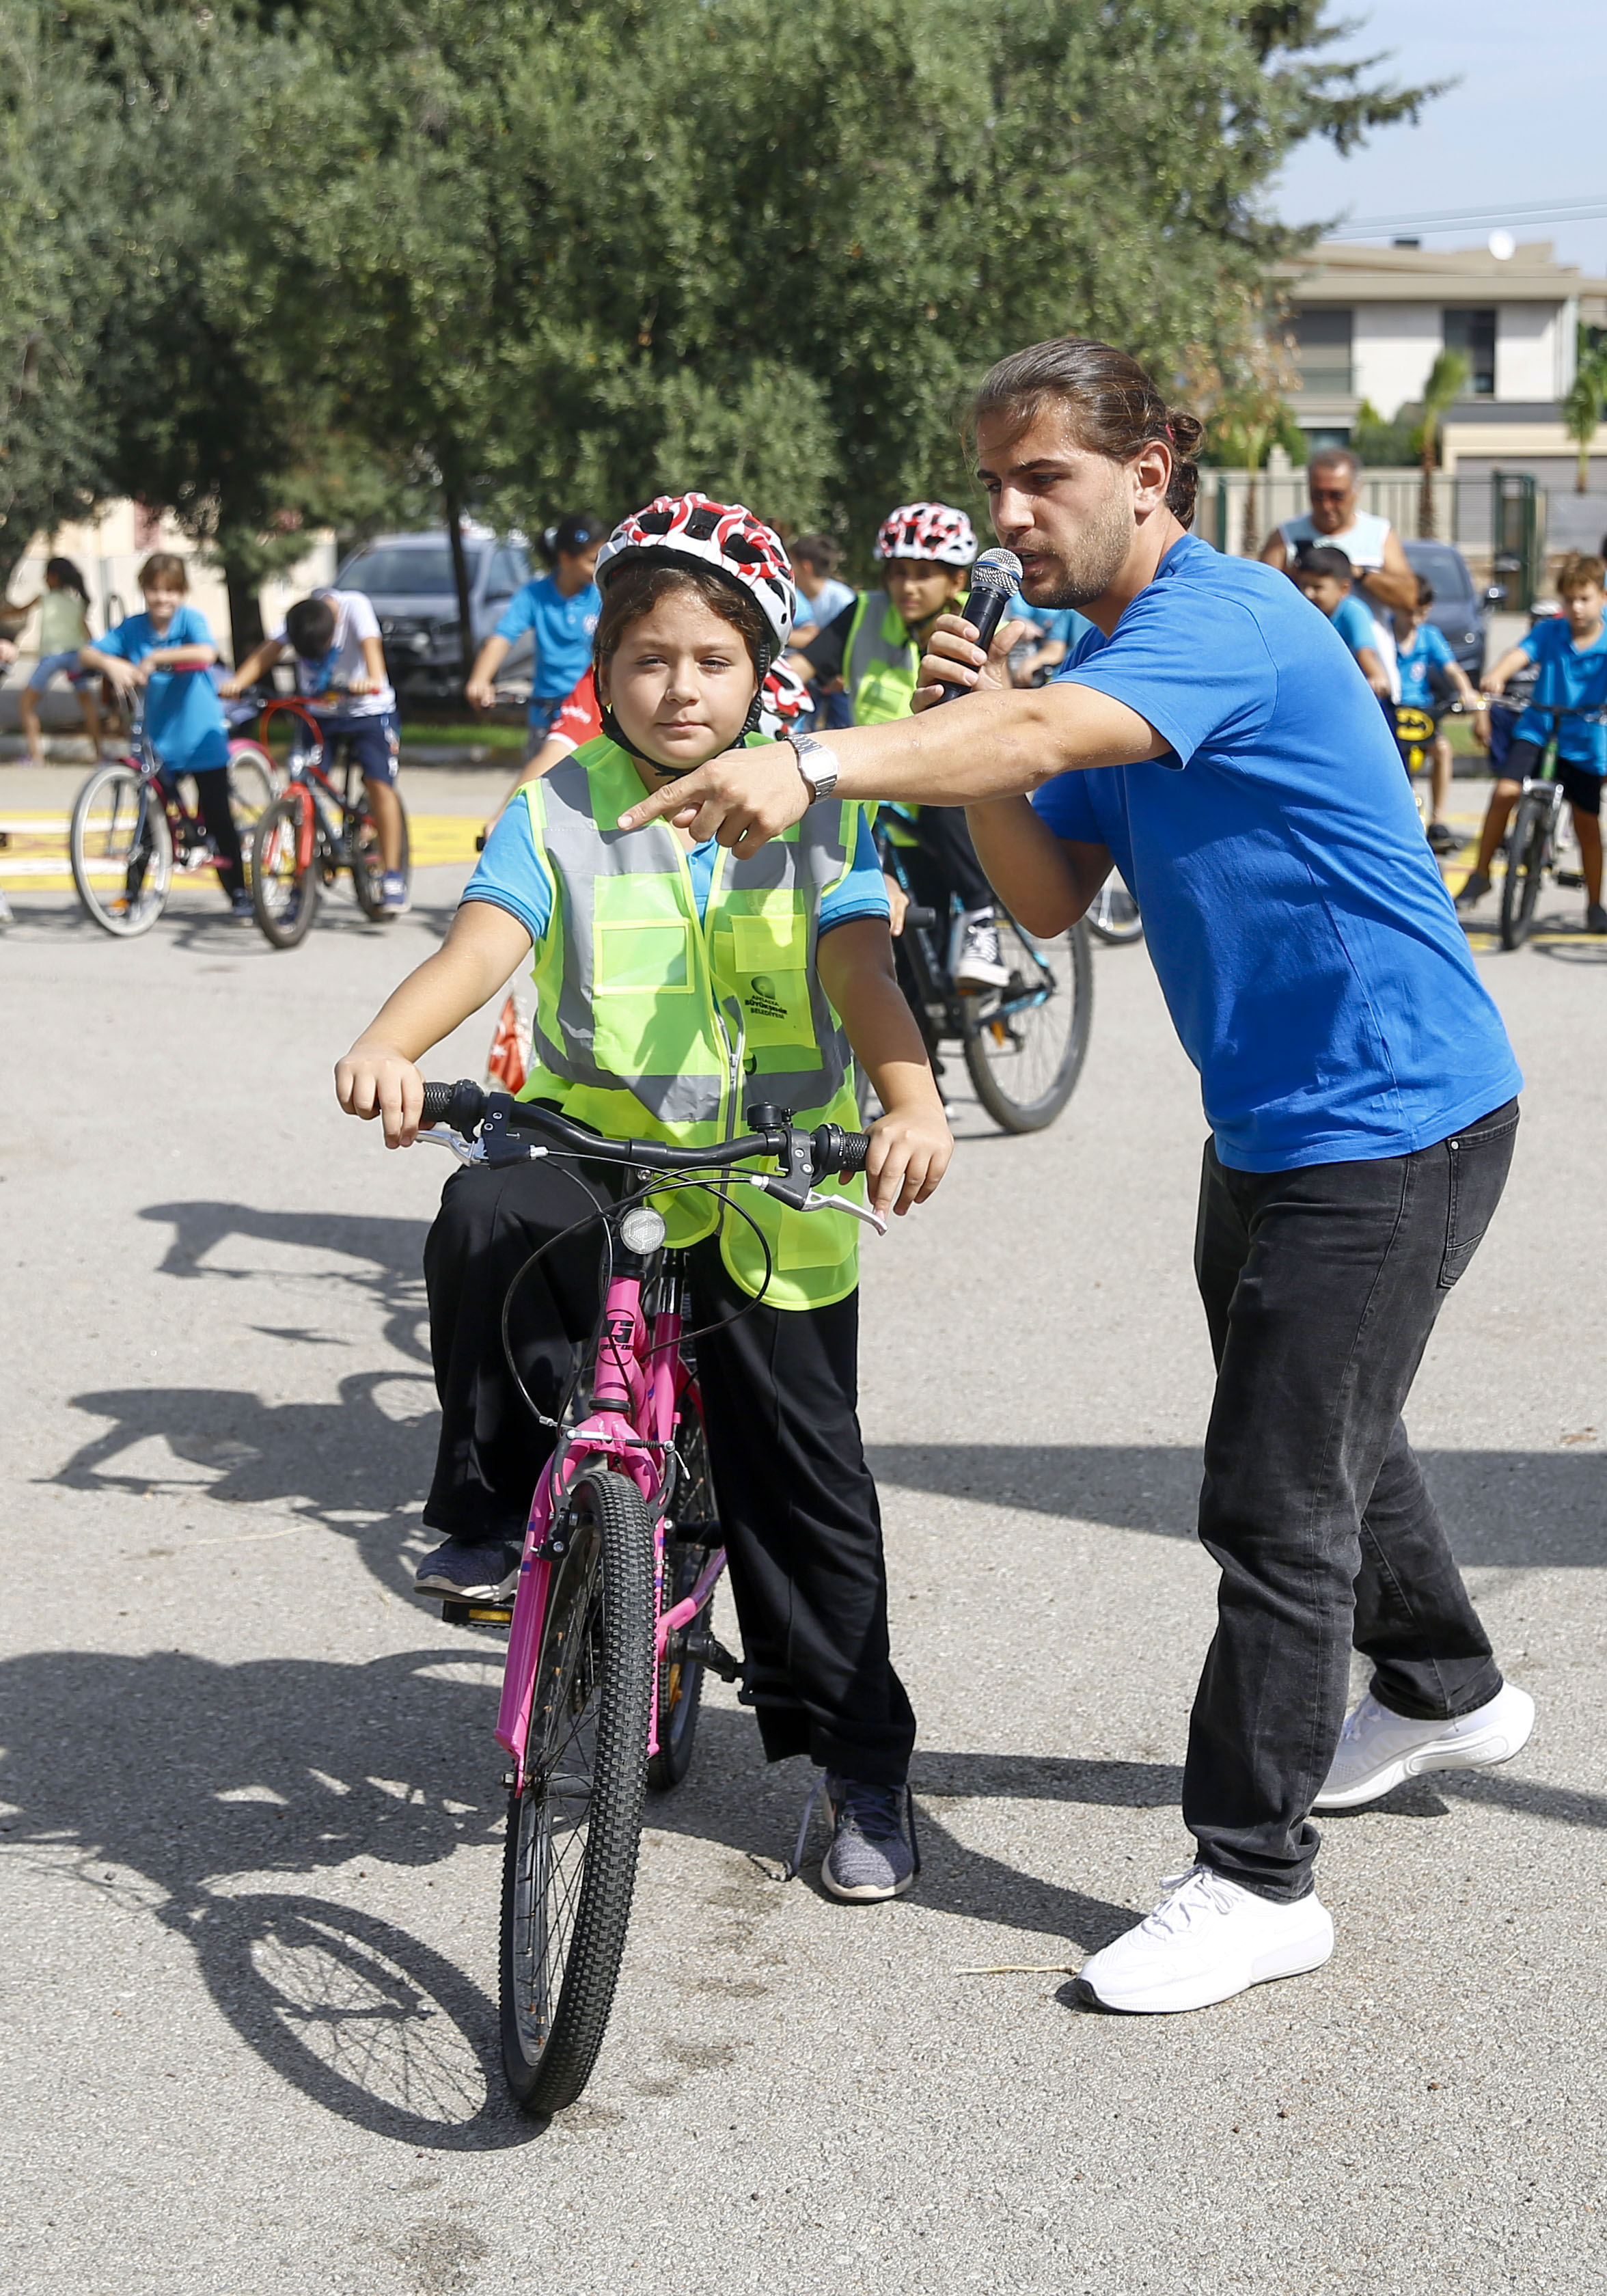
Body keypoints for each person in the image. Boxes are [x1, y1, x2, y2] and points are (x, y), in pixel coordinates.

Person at [618, 338, 1534, 2014]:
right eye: (993, 484)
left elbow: (1043, 722)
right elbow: (1044, 895)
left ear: (1148, 473)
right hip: (1274, 1121)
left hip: (1397, 1120)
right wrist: (980, 737)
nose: (1008, 515)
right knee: (1329, 1425)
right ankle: (1443, 1682)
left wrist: (825, 759)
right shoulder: (1112, 667)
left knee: (1274, 1498)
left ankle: (1256, 1880)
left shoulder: (1227, 624)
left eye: (1041, 477)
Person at [334, 491, 952, 1903]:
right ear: (603, 669)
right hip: (598, 1157)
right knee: (484, 1217)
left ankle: (862, 1769)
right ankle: (496, 1519)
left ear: (765, 669)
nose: (681, 689)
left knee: (810, 1499)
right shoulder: (557, 805)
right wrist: (392, 1044)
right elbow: (487, 940)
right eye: (649, 660)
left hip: (776, 1187)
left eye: (715, 662)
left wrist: (911, 1101)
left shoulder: (820, 802)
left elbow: (861, 972)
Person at [793, 501, 1017, 989]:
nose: (906, 587)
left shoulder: (975, 626)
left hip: (939, 794)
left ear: (957, 581)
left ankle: (982, 920)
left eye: (922, 574)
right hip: (874, 794)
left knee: (945, 805)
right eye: (896, 573)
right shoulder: (864, 615)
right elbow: (799, 672)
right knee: (901, 971)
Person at [79, 553, 251, 921]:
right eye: (155, 590)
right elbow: (88, 653)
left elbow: (206, 652)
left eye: (171, 591)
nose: (162, 599)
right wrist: (111, 663)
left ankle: (239, 890)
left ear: (182, 592)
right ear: (144, 590)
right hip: (157, 741)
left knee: (219, 817)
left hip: (200, 738)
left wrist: (155, 659)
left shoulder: (190, 620)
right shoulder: (133, 627)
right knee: (147, 822)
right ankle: (130, 895)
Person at [222, 586, 408, 914]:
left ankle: (393, 875)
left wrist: (372, 679)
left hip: (369, 711)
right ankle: (303, 881)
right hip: (319, 713)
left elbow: (373, 653)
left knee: (379, 784)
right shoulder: (304, 617)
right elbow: (269, 651)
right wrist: (238, 683)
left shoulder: (355, 607)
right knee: (300, 786)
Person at [1457, 554, 1607, 933]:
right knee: (1505, 793)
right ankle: (1481, 873)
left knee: (1587, 823)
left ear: (1602, 598)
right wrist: (1497, 675)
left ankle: (1593, 903)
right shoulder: (1551, 632)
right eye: (1569, 599)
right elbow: (1520, 654)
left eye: (1585, 598)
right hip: (1539, 727)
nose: (1576, 607)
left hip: (1585, 737)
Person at [1262, 447, 1416, 698]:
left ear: (1357, 489)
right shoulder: (1285, 537)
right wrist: (1295, 578)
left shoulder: (1378, 535)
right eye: (1317, 495)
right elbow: (1261, 603)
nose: (1327, 505)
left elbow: (1410, 598)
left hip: (1370, 680)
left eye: (1337, 495)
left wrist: (1359, 574)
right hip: (1305, 679)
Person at [464, 512, 603, 760]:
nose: (598, 568)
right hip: (545, 713)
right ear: (565, 558)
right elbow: (503, 637)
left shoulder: (601, 596)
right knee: (539, 788)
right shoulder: (534, 595)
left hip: (589, 710)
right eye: (592, 560)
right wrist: (480, 679)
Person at [1393, 577, 1484, 853]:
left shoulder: (1429, 636)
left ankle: (1438, 819)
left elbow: (1451, 668)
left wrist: (1467, 691)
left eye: (1420, 613)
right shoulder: (1384, 634)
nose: (1413, 620)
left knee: (1442, 749)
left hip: (1421, 711)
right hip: (1393, 709)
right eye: (1407, 612)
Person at [11, 558, 109, 766]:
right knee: (87, 705)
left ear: (53, 577)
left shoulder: (45, 597)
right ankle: (99, 755)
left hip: (52, 657)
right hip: (76, 656)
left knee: (26, 704)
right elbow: (87, 632)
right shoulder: (77, 601)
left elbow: (19, 611)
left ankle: (36, 757)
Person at [1288, 544, 1392, 702]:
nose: (1308, 594)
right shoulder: (1302, 614)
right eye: (1303, 585)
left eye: (1317, 587)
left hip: (1353, 694)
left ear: (1344, 588)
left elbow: (1365, 651)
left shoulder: (1353, 612)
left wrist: (1375, 675)